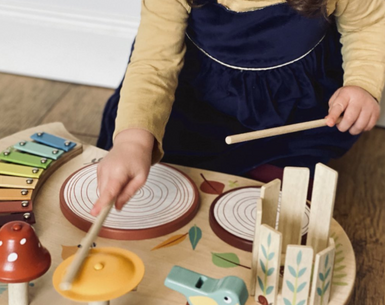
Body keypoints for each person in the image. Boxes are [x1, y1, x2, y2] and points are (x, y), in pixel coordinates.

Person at [91, 0, 385, 216]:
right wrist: (133, 142)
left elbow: (368, 24)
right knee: (156, 172)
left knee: (279, 208)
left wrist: (361, 85)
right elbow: (153, 66)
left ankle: (270, 170)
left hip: (291, 107)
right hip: (199, 103)